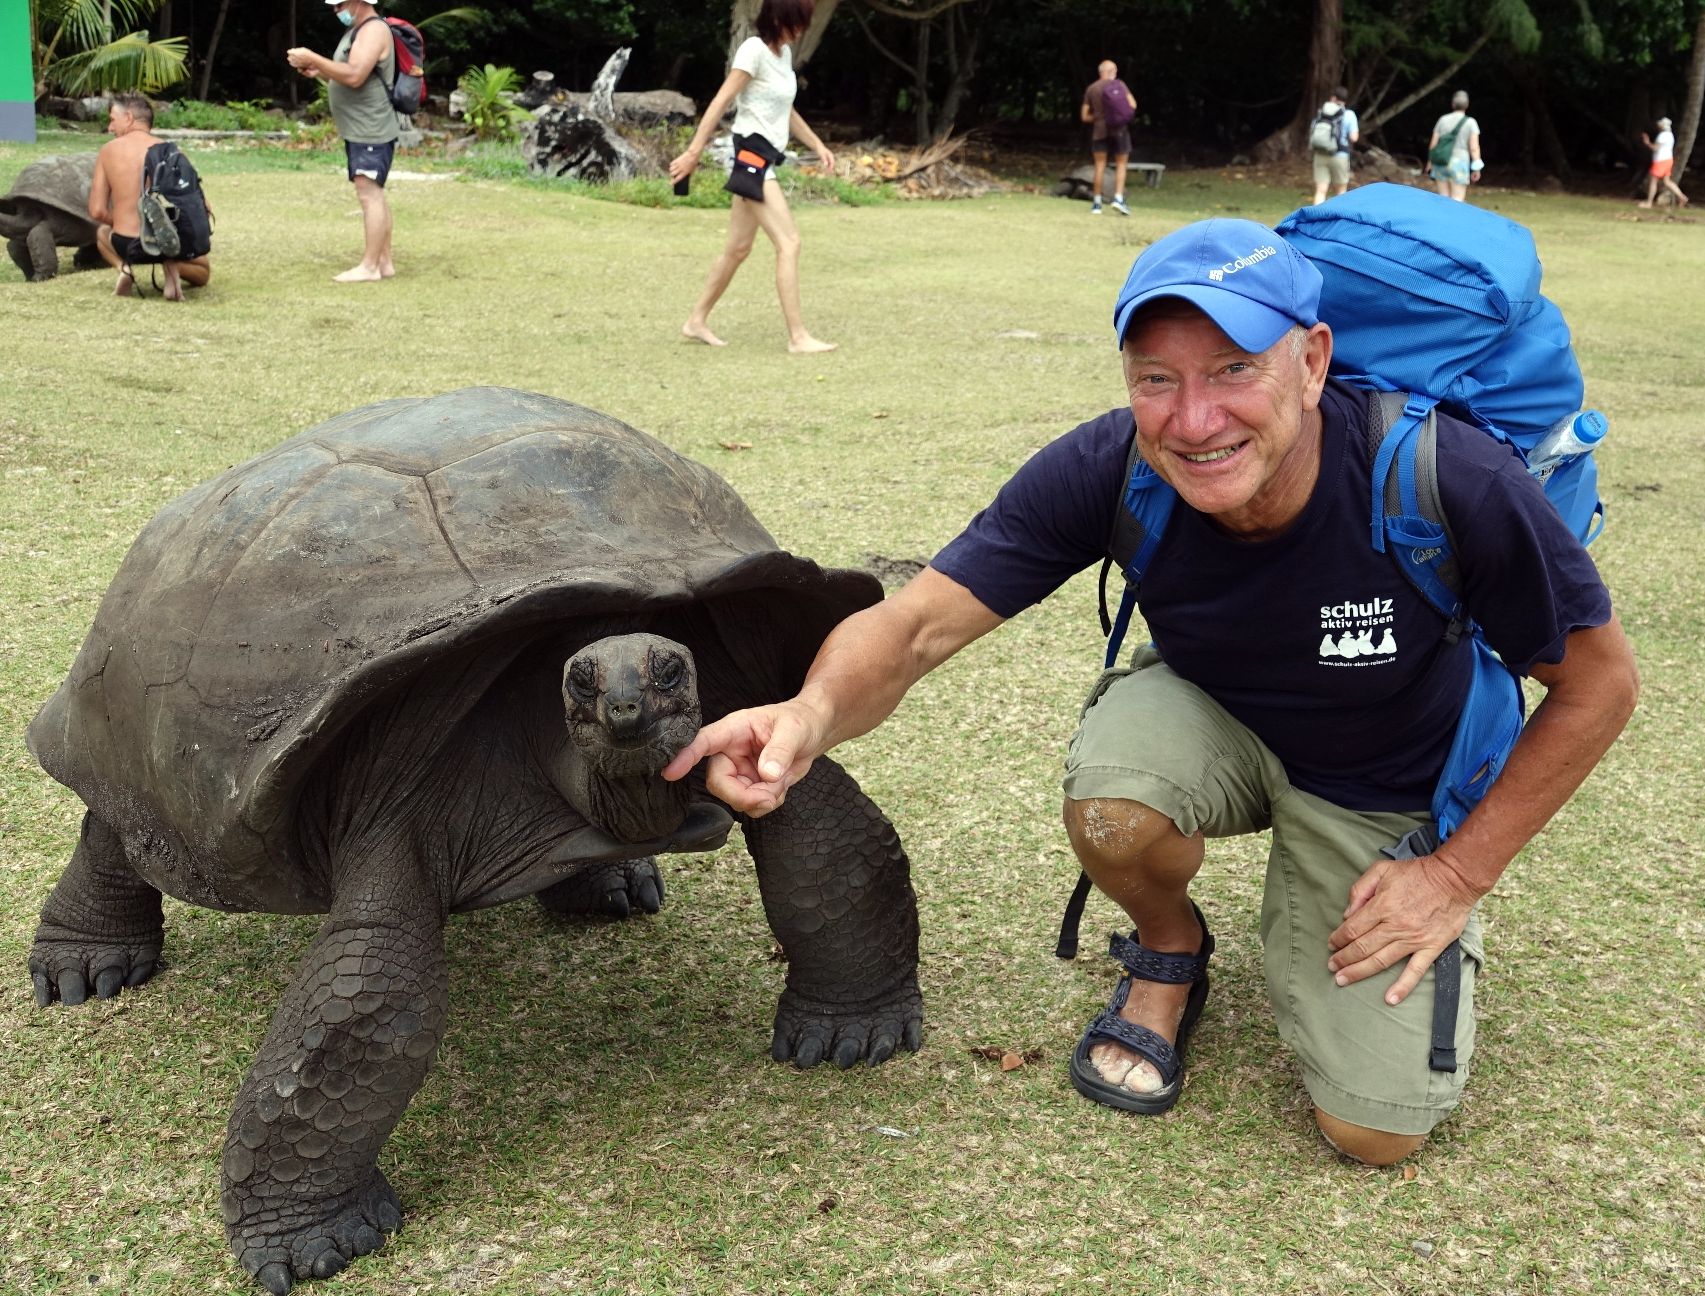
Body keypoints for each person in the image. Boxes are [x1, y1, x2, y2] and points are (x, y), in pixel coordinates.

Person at [663, 218, 1640, 1165]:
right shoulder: (1111, 467)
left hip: (1383, 778)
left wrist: (1454, 876)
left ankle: (1354, 902)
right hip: (1217, 716)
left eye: (1232, 371)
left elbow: (1599, 686)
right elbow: (914, 626)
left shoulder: (1441, 477)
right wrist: (808, 715)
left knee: (1375, 1131)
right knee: (1116, 805)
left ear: (1312, 360)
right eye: (1157, 380)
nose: (1194, 420)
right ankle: (1171, 947)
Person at [668, 0, 838, 353]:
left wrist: (818, 144)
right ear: (779, 18)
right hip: (752, 156)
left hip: (765, 158)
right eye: (797, 22)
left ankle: (695, 321)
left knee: (738, 249)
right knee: (789, 243)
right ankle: (798, 337)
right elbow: (720, 101)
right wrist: (693, 152)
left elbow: (785, 109)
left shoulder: (783, 56)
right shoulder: (753, 51)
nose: (801, 30)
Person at [287, 0, 399, 283]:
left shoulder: (373, 30)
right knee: (373, 192)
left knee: (368, 193)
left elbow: (355, 75)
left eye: (340, 5)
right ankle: (384, 261)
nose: (336, 10)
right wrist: (320, 71)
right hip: (359, 127)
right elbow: (347, 71)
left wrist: (313, 57)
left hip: (371, 128)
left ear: (359, 2)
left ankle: (370, 267)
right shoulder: (357, 30)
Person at [87, 93, 211, 300]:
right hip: (171, 244)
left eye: (112, 119)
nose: (110, 128)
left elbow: (97, 211)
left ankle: (124, 269)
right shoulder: (169, 150)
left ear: (128, 118)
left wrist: (121, 222)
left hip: (127, 244)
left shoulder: (108, 150)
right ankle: (171, 266)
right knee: (204, 271)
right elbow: (203, 206)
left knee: (102, 233)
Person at [1081, 60, 1137, 216]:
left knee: (1099, 166)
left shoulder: (1091, 89)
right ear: (1111, 71)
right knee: (1121, 165)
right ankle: (1118, 199)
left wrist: (1099, 118)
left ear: (1100, 72)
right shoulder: (1120, 86)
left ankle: (1097, 204)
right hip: (1119, 130)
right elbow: (1133, 105)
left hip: (1099, 131)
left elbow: (1084, 116)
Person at [1425, 91, 1482, 202]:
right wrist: (1476, 168)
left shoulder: (1443, 120)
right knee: (1457, 199)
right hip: (1459, 162)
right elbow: (1474, 148)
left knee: (1443, 198)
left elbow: (1433, 144)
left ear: (1452, 105)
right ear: (1467, 105)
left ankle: (1442, 219)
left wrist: (1430, 162)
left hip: (1440, 162)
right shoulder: (1471, 123)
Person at [1311, 87, 1358, 207]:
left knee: (1321, 191)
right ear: (1345, 100)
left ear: (1333, 98)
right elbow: (1354, 138)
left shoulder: (1322, 112)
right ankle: (1339, 222)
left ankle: (1316, 220)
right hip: (1340, 156)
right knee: (1341, 192)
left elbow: (1313, 130)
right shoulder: (1349, 114)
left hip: (1320, 154)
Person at [1638, 116, 1689, 210]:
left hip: (1660, 160)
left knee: (1653, 181)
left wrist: (1647, 142)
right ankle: (1682, 197)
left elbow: (1655, 148)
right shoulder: (1670, 135)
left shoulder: (1662, 136)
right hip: (1668, 160)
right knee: (1667, 181)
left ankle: (1649, 203)